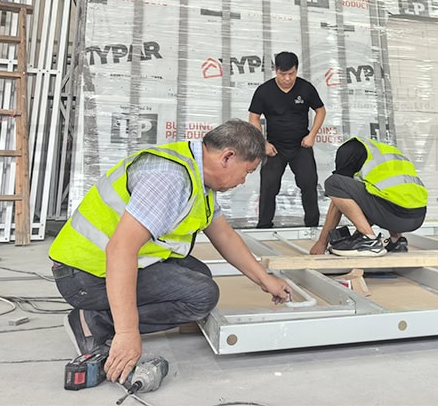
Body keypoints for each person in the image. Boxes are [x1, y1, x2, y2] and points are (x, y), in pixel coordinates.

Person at [49, 119, 292, 385]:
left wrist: (265, 279)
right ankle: (95, 322)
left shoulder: (198, 176)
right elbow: (120, 250)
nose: (244, 181)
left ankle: (100, 315)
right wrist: (128, 332)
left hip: (95, 266)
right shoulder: (171, 178)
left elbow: (225, 236)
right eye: (247, 171)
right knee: (201, 295)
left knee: (197, 274)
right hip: (84, 274)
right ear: (228, 157)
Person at [310, 136, 427, 257]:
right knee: (386, 194)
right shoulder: (386, 152)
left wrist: (322, 242)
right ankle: (396, 240)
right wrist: (356, 237)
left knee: (334, 182)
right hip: (418, 217)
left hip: (394, 214)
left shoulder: (347, 150)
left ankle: (368, 239)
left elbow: (337, 200)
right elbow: (373, 200)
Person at [249, 51, 326, 228]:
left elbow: (320, 111)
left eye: (291, 74)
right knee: (268, 187)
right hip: (275, 148)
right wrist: (263, 143)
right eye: (283, 74)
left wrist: (311, 135)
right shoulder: (264, 91)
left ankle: (312, 226)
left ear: (296, 70)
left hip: (301, 146)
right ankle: (264, 226)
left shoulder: (306, 88)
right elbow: (254, 117)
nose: (287, 79)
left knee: (309, 184)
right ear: (275, 70)